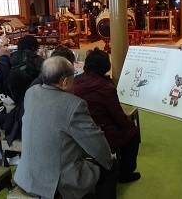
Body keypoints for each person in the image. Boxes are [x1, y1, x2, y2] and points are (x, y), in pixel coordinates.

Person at [14, 56, 118, 199]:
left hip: (27, 175)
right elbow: (96, 143)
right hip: (55, 183)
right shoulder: (74, 104)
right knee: (110, 167)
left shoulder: (31, 92)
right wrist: (109, 159)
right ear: (65, 81)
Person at [74, 47, 141, 183]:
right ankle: (125, 173)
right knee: (132, 132)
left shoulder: (75, 81)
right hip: (101, 132)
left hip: (78, 130)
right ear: (106, 66)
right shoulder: (105, 87)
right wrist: (129, 125)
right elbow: (118, 115)